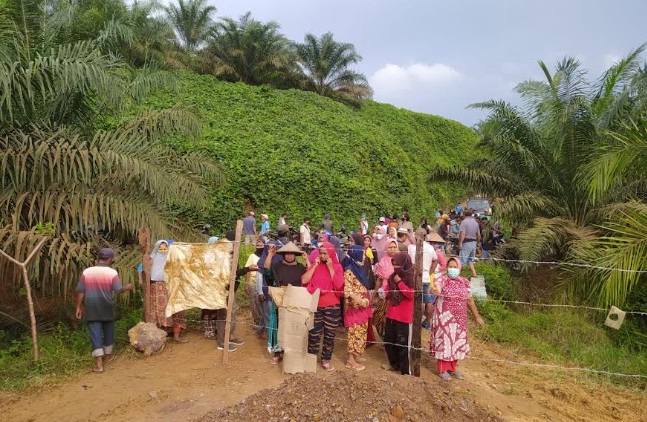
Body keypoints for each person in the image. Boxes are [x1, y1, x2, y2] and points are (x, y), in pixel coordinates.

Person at [75, 248, 133, 373]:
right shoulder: (112, 273)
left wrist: (78, 307)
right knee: (108, 331)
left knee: (95, 333)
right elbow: (118, 290)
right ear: (110, 259)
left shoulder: (87, 272)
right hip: (107, 306)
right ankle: (109, 356)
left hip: (92, 307)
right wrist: (127, 288)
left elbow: (81, 291)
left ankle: (99, 364)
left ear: (98, 258)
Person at [430, 257, 484, 380]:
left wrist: (477, 317)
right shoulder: (443, 280)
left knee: (456, 342)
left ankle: (452, 368)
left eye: (455, 267)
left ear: (460, 268)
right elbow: (437, 288)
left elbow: (470, 300)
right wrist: (435, 290)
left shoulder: (464, 282)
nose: (452, 269)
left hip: (460, 318)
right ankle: (443, 369)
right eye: (450, 267)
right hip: (444, 317)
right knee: (445, 342)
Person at [302, 242, 344, 371]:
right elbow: (304, 280)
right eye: (321, 253)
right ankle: (312, 358)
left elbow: (339, 286)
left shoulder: (337, 267)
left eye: (325, 253)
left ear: (331, 253)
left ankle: (326, 359)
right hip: (315, 305)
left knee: (330, 335)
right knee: (314, 333)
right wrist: (314, 265)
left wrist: (331, 268)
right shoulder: (316, 265)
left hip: (332, 307)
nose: (323, 255)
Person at [263, 241, 307, 364]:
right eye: (287, 254)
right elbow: (267, 272)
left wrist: (307, 259)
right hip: (280, 300)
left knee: (293, 326)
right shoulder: (277, 266)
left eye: (292, 254)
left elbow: (309, 279)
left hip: (295, 300)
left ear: (295, 255)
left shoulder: (301, 268)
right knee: (279, 325)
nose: (289, 256)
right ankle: (278, 352)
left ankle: (291, 352)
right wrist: (270, 255)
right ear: (283, 255)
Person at [380, 252, 415, 375]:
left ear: (405, 264)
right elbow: (388, 291)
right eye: (393, 265)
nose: (395, 268)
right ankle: (394, 364)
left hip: (404, 317)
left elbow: (411, 294)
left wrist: (400, 282)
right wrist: (383, 293)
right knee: (389, 341)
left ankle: (405, 371)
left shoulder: (411, 278)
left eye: (398, 265)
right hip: (391, 314)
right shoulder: (392, 277)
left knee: (403, 344)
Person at [149, 240, 187, 343]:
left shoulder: (172, 258)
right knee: (159, 311)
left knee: (176, 309)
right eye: (160, 248)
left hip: (172, 285)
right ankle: (160, 336)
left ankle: (176, 335)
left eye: (165, 248)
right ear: (156, 249)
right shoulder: (151, 259)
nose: (162, 250)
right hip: (157, 287)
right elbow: (142, 269)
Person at [341, 244, 371, 371]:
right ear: (356, 255)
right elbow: (347, 291)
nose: (364, 256)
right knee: (354, 333)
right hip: (354, 308)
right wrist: (359, 299)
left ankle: (355, 355)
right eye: (363, 254)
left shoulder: (359, 269)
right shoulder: (349, 271)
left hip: (363, 307)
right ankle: (350, 361)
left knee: (361, 331)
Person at [408, 233, 439, 329]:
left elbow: (409, 262)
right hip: (426, 277)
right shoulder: (430, 248)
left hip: (415, 277)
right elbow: (435, 260)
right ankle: (427, 322)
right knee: (428, 300)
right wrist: (430, 272)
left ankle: (416, 320)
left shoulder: (411, 248)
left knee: (417, 300)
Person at [372, 238, 399, 338]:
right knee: (379, 317)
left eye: (394, 247)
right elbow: (379, 279)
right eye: (390, 247)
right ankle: (384, 338)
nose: (392, 249)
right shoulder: (383, 261)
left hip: (397, 295)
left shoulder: (401, 259)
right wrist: (375, 293)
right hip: (384, 294)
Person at [245, 238, 265, 334]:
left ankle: (264, 322)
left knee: (263, 303)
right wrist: (247, 283)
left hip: (264, 283)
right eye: (258, 245)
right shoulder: (252, 256)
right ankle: (257, 322)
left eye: (261, 245)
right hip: (253, 282)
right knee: (254, 303)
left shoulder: (267, 256)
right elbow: (247, 270)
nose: (259, 246)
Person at [458, 209, 481, 278]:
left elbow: (463, 233)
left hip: (466, 242)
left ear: (464, 214)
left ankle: (457, 275)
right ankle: (474, 273)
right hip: (473, 242)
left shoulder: (464, 222)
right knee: (471, 259)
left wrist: (460, 243)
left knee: (461, 260)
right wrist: (477, 243)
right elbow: (479, 235)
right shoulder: (475, 223)